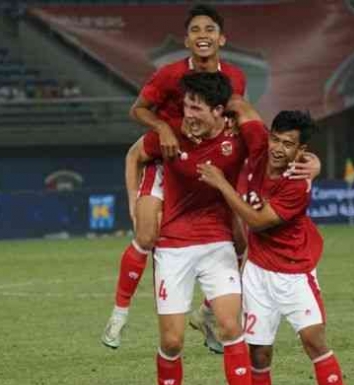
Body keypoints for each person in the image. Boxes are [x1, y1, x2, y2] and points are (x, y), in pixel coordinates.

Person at [197, 109, 354, 385]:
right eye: (276, 139)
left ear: (301, 152)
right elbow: (241, 106)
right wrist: (218, 106)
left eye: (288, 144)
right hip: (257, 273)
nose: (278, 148)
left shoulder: (297, 184)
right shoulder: (257, 146)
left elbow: (256, 221)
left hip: (296, 272)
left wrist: (222, 184)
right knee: (259, 355)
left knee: (314, 340)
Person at [130, 71, 272, 385]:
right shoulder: (169, 134)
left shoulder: (235, 140)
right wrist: (134, 203)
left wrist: (311, 163)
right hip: (173, 248)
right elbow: (134, 156)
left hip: (217, 245)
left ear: (219, 111)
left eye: (196, 107)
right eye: (186, 105)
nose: (188, 114)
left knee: (230, 327)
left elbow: (268, 146)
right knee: (172, 341)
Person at [103, 4, 249, 352]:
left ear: (222, 38)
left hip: (210, 163)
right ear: (186, 40)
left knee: (242, 240)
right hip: (168, 159)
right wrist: (163, 128)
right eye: (195, 30)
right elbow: (137, 111)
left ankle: (208, 312)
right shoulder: (169, 75)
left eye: (209, 29)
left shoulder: (235, 78)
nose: (203, 36)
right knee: (147, 233)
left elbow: (240, 114)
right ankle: (119, 314)